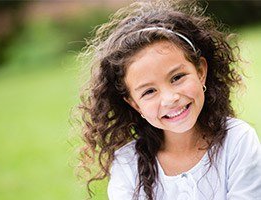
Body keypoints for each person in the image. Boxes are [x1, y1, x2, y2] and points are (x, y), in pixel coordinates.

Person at [76, 0, 261, 199]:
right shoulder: (127, 164)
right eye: (149, 92)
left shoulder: (237, 140)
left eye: (177, 77)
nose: (170, 98)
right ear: (134, 103)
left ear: (200, 72)